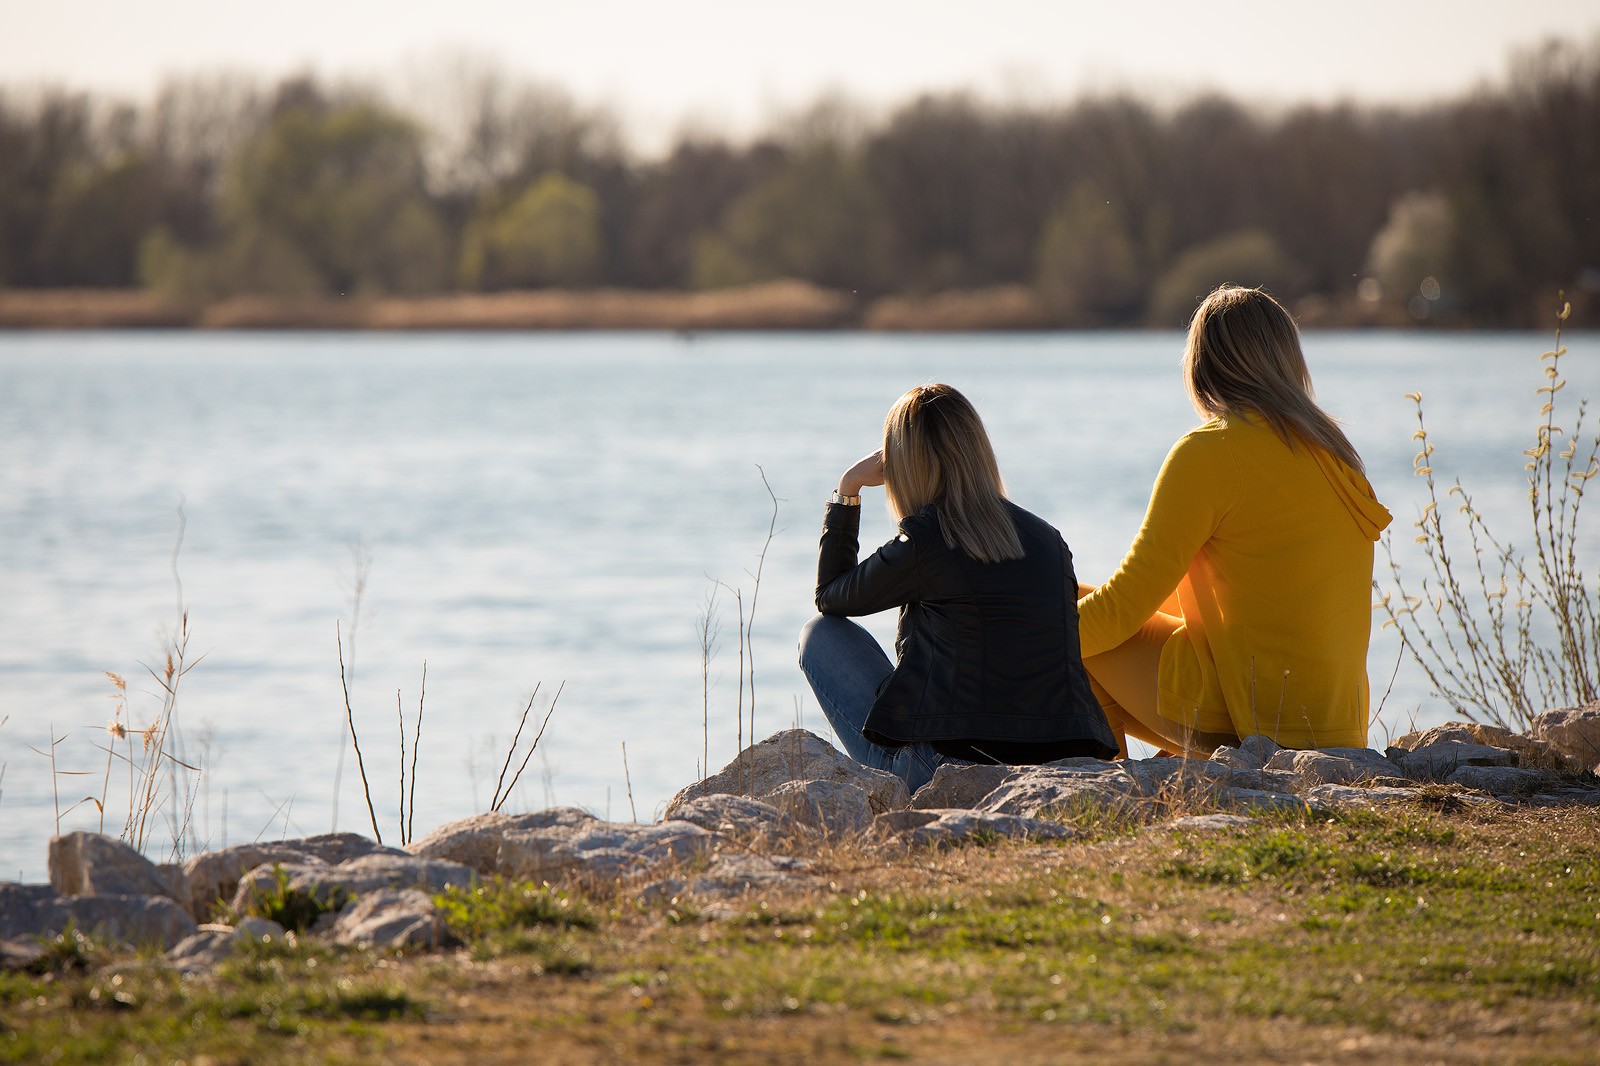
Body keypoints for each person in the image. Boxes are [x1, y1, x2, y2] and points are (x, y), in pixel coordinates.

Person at [1076, 286, 1393, 757]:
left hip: (1258, 719)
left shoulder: (1212, 453)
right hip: (1335, 726)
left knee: (1063, 624)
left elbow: (1123, 608)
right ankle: (1179, 785)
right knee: (1087, 622)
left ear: (1202, 366)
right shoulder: (1333, 453)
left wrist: (1011, 633)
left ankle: (1108, 798)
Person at [798, 383, 1117, 794]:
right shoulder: (1048, 540)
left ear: (901, 465)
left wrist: (848, 489)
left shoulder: (925, 541)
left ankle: (896, 789)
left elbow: (831, 597)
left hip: (945, 769)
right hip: (1060, 761)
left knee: (820, 633)